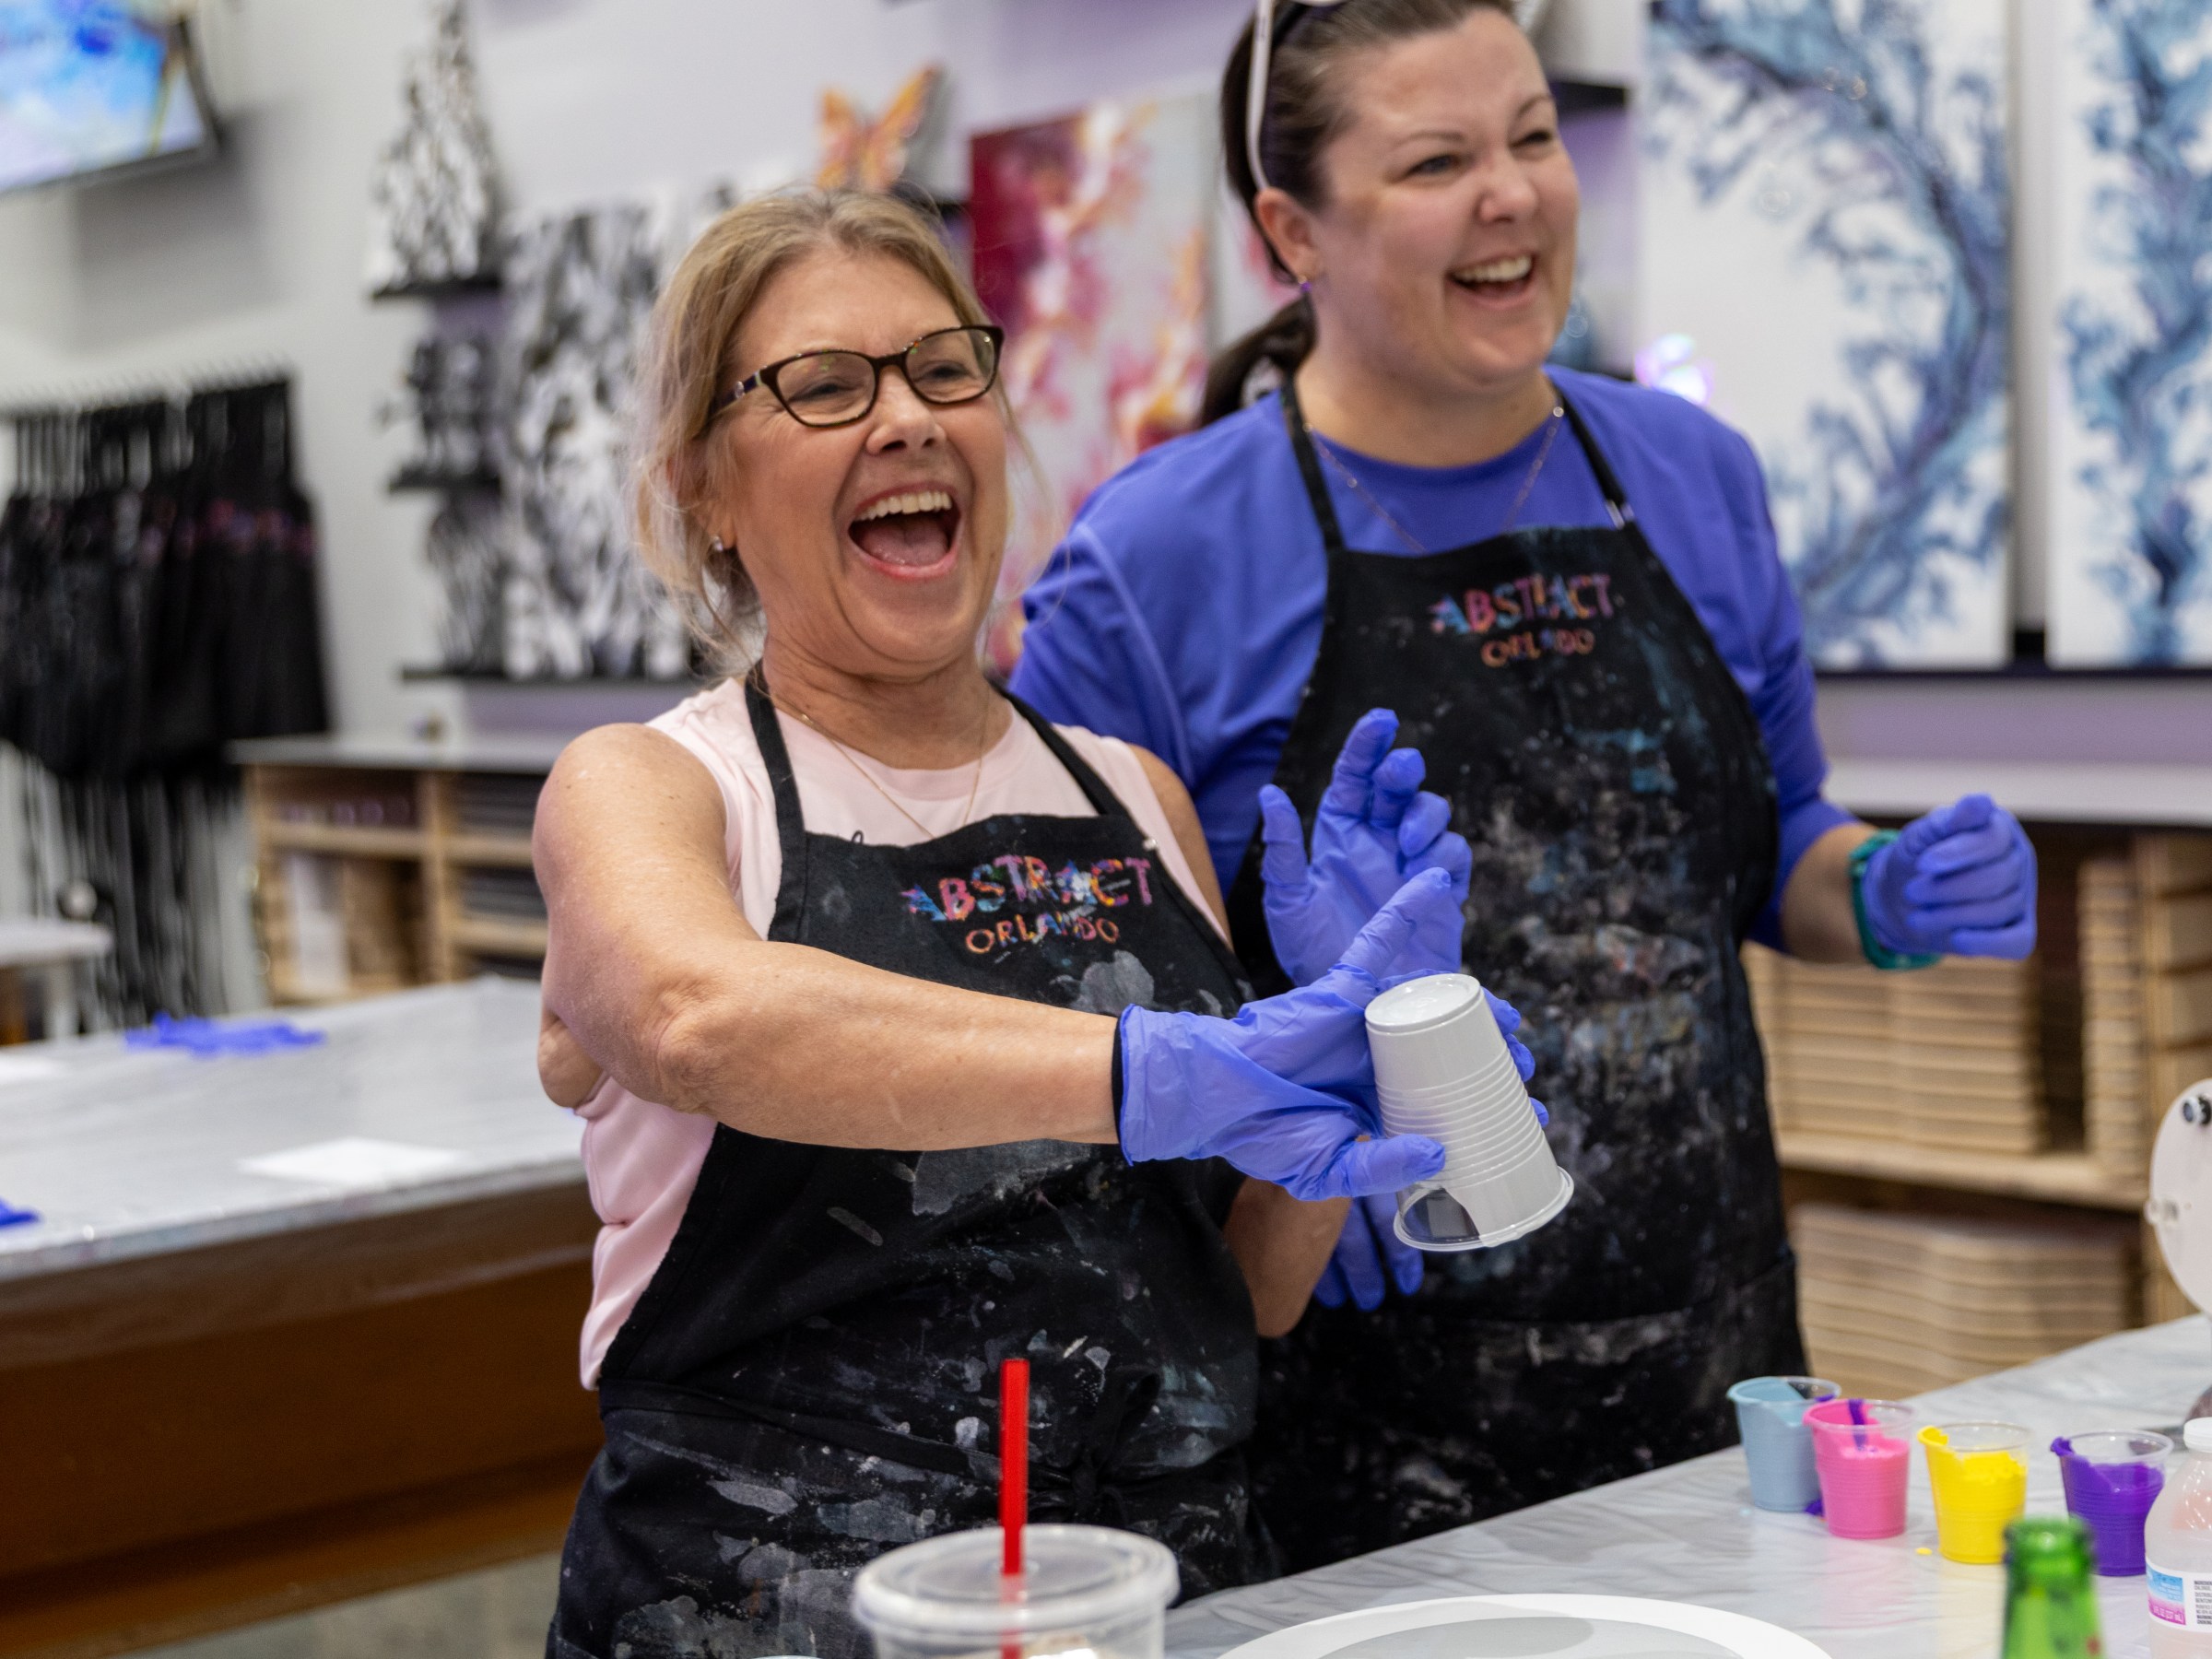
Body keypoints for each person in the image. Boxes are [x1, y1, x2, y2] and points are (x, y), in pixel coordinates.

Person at [1010, 0, 2041, 1568]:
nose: (1513, 194)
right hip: (1350, 1419)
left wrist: (1883, 896)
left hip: (1713, 1366)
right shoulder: (1156, 564)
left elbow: (1783, 855)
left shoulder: (1693, 478)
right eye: (1437, 159)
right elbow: (1055, 1019)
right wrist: (1263, 1169)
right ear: (1293, 230)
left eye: (1535, 136)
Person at [527, 190, 1496, 1659]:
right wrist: (1152, 1071)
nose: (906, 418)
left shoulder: (1133, 798)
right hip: (762, 1616)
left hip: (1148, 1603)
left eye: (944, 368)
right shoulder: (658, 789)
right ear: (706, 492)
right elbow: (699, 1016)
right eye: (826, 386)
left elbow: (1236, 1305)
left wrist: (1360, 1055)